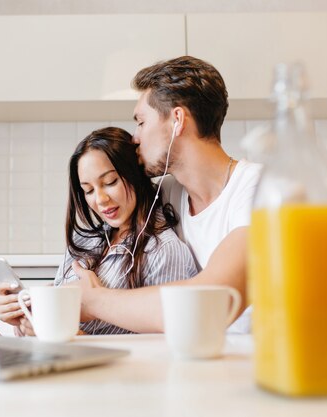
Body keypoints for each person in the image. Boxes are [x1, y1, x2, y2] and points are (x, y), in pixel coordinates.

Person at [73, 56, 263, 334]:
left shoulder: (259, 189)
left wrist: (93, 301)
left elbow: (214, 302)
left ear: (177, 120)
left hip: (267, 367)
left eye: (141, 122)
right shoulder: (168, 195)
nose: (134, 138)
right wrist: (28, 302)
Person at [0, 127, 198, 335]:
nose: (100, 200)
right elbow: (43, 329)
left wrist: (72, 336)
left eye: (110, 182)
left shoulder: (164, 251)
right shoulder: (83, 242)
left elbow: (166, 344)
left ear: (135, 174)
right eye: (89, 190)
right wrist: (22, 316)